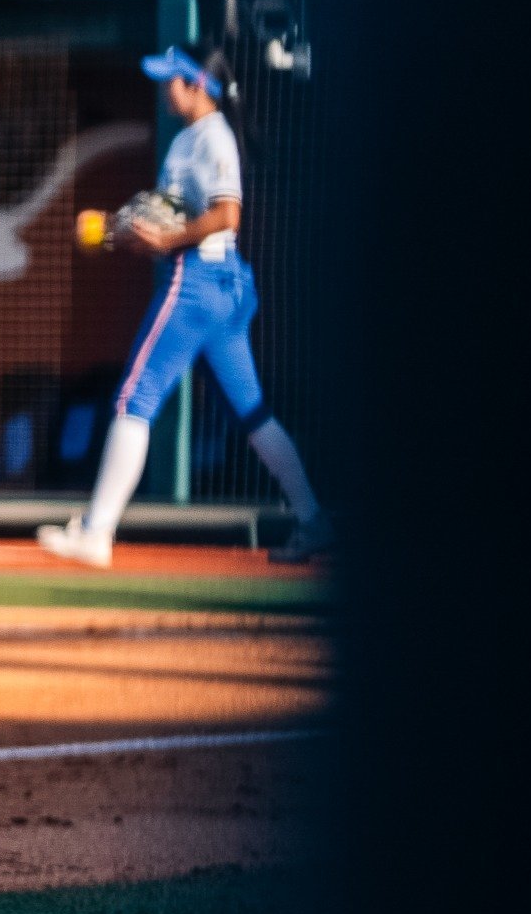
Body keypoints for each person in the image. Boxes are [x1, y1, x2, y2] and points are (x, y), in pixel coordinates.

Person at [40, 48, 328, 568]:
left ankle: (97, 533)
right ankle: (313, 518)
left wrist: (170, 239)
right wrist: (113, 231)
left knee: (134, 397)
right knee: (252, 412)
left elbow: (227, 215)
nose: (164, 87)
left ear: (198, 85)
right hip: (219, 287)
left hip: (197, 281)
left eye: (171, 79)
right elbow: (165, 217)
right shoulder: (185, 139)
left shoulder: (213, 136)